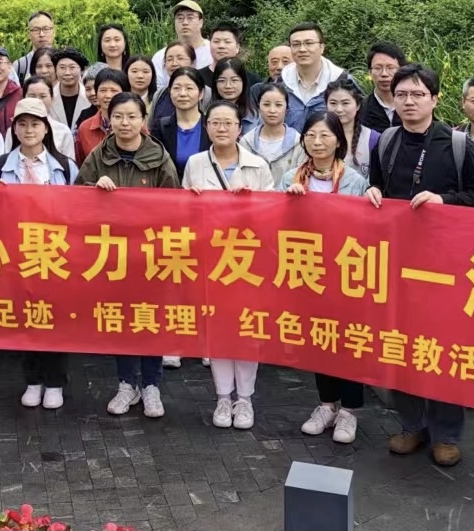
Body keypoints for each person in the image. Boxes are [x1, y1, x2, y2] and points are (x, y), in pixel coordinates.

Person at [368, 63, 474, 467]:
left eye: (418, 94)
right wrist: (373, 192)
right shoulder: (386, 141)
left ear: (435, 99)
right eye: (401, 94)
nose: (409, 101)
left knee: (445, 349)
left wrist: (444, 201)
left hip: (446, 268)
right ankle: (412, 424)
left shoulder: (456, 144)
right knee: (401, 346)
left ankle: (446, 433)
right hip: (397, 264)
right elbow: (379, 185)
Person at [75, 92, 177, 418]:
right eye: (118, 116)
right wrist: (95, 189)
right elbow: (75, 199)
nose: (125, 123)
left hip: (149, 255)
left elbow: (174, 207)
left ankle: (151, 386)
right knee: (121, 321)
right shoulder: (98, 156)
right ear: (109, 119)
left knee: (150, 321)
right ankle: (126, 384)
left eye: (132, 116)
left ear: (143, 120)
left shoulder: (159, 157)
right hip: (112, 254)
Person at [181, 100, 273, 429]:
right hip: (210, 260)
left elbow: (273, 215)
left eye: (228, 123)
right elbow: (182, 215)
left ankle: (244, 399)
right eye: (215, 123)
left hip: (248, 261)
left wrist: (252, 204)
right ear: (206, 127)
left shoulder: (258, 165)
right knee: (218, 330)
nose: (221, 128)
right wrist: (191, 201)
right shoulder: (195, 163)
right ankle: (223, 397)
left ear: (239, 128)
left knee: (247, 329)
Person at [280, 112, 370, 444]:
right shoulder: (290, 178)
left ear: (338, 141)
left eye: (325, 136)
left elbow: (366, 227)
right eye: (311, 136)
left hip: (346, 271)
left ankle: (350, 411)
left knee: (349, 340)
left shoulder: (355, 180)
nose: (317, 142)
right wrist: (287, 203)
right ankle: (327, 404)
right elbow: (273, 224)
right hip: (309, 271)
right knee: (320, 338)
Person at [0, 98, 75, 409]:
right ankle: (33, 380)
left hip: (55, 255)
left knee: (54, 319)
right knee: (26, 320)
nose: (29, 130)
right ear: (14, 129)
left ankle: (55, 382)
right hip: (16, 255)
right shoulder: (1, 165)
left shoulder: (64, 166)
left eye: (35, 124)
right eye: (22, 124)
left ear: (46, 128)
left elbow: (80, 210)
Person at [280, 23, 346, 130]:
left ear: (322, 48)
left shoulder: (342, 80)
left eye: (309, 43)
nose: (302, 49)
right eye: (296, 44)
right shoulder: (281, 83)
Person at [241, 84, 305, 184]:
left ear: (287, 109)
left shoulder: (298, 142)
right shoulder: (247, 142)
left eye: (278, 105)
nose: (272, 110)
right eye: (266, 104)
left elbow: (302, 178)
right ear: (259, 107)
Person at [152, 67, 209, 178]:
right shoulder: (160, 127)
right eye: (177, 88)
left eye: (189, 88)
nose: (182, 93)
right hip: (171, 186)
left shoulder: (211, 125)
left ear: (201, 93)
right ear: (170, 92)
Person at [76, 67, 130, 166]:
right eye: (103, 90)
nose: (108, 95)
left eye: (114, 90)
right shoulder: (85, 128)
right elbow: (81, 165)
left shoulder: (136, 125)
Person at [13, 77, 77, 158]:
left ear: (52, 99)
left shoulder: (63, 132)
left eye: (43, 96)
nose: (37, 101)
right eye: (32, 96)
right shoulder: (15, 129)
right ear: (23, 98)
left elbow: (69, 162)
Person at [152, 0, 213, 83]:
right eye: (180, 18)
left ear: (201, 22)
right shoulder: (161, 56)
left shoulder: (213, 51)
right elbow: (158, 87)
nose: (185, 23)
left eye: (190, 18)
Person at [325, 78, 375, 177]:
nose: (339, 109)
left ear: (358, 105)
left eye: (345, 103)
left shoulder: (372, 138)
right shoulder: (316, 136)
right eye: (333, 103)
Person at [360, 42, 406, 132]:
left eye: (390, 68)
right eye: (377, 68)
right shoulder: (360, 109)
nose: (384, 74)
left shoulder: (413, 106)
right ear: (369, 72)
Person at [149, 43, 197, 127]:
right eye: (169, 59)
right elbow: (150, 126)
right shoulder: (160, 94)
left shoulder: (205, 93)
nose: (174, 63)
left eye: (180, 58)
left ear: (193, 62)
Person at [212, 59, 257, 134]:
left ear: (243, 82)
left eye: (234, 80)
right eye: (222, 81)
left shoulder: (257, 118)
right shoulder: (208, 115)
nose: (228, 86)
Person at [52, 48, 90, 130]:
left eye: (72, 67)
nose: (67, 73)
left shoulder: (90, 97)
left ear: (82, 70)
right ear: (55, 70)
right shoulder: (49, 97)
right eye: (62, 68)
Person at [13, 11, 57, 81]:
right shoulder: (20, 65)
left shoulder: (63, 61)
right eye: (36, 30)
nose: (41, 34)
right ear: (29, 34)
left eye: (46, 29)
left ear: (54, 32)